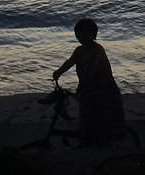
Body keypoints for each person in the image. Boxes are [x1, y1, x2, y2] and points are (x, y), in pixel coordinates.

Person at [52, 18, 126, 148]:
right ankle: (87, 141)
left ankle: (103, 145)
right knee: (86, 117)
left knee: (100, 119)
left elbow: (90, 70)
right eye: (79, 33)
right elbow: (69, 62)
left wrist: (80, 88)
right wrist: (58, 72)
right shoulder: (79, 50)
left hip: (104, 90)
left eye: (85, 33)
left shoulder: (97, 49)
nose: (82, 37)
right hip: (89, 89)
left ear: (93, 34)